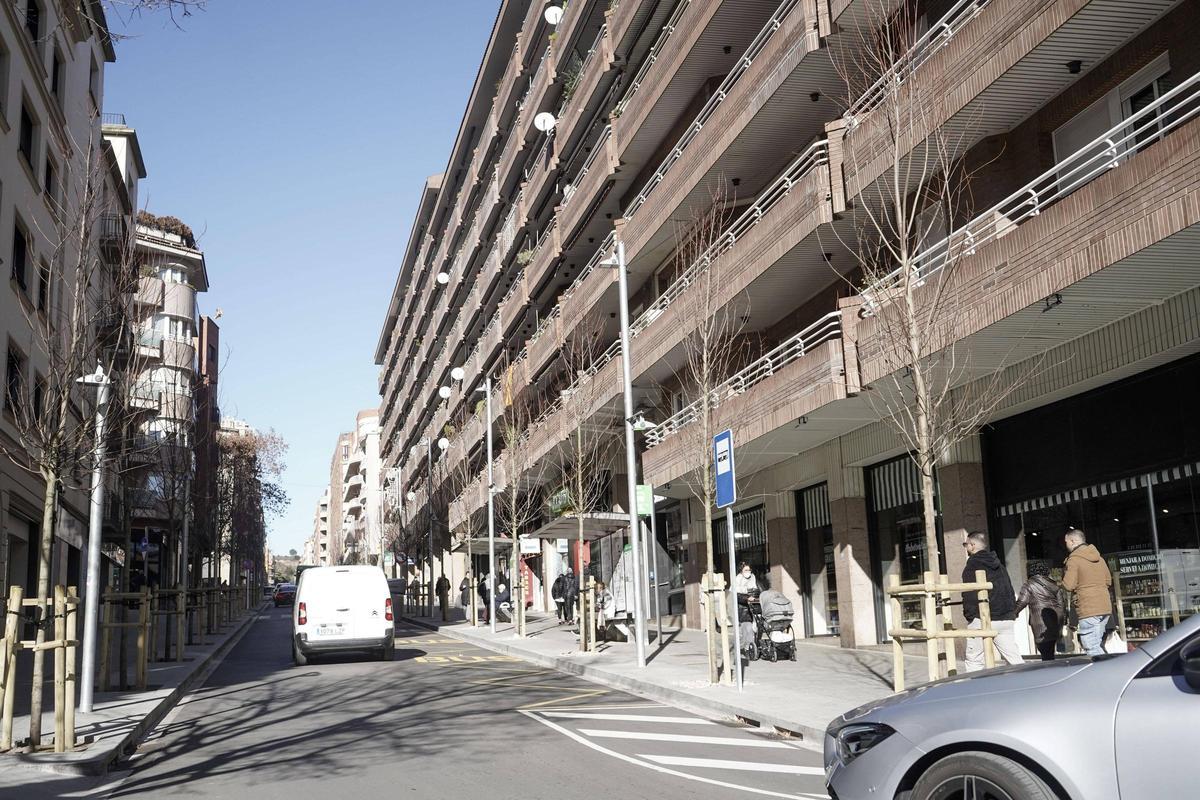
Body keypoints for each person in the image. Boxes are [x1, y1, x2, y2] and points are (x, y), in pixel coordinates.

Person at [961, 531, 1024, 671]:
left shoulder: (972, 565)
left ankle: (974, 691)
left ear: (972, 545)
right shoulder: (999, 565)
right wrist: (1011, 613)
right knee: (1014, 659)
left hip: (982, 618)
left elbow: (969, 595)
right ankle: (1026, 684)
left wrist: (970, 616)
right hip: (1005, 618)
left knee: (974, 660)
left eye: (965, 544)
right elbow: (1009, 589)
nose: (965, 547)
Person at [1062, 528, 1112, 656]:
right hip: (1105, 606)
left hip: (1088, 607)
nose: (1066, 545)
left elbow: (1068, 585)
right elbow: (1108, 581)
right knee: (1097, 644)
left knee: (1091, 646)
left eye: (1066, 542)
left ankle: (1104, 673)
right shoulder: (1099, 559)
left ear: (1073, 541)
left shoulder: (1074, 559)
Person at [1014, 562, 1065, 661]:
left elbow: (1022, 602)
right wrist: (1062, 621)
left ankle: (1049, 673)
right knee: (1050, 651)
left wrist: (1013, 613)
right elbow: (1061, 605)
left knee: (1045, 653)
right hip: (1055, 621)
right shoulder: (1054, 584)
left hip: (1039, 622)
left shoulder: (1029, 584)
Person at [734, 563, 759, 654]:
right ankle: (748, 648)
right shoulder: (738, 579)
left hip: (754, 607)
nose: (748, 572)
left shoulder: (753, 578)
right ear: (741, 571)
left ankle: (754, 646)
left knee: (756, 629)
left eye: (749, 570)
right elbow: (735, 595)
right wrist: (746, 598)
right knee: (747, 629)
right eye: (746, 570)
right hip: (743, 609)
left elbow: (756, 589)